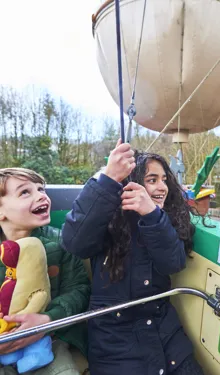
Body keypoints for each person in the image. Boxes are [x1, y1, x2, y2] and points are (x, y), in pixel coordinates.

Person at [61, 140, 205, 375]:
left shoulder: (164, 218)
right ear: (131, 183)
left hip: (166, 336)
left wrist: (152, 216)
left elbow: (173, 262)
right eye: (152, 180)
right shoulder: (106, 218)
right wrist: (108, 179)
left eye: (164, 180)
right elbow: (74, 242)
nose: (163, 188)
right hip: (114, 343)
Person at [0, 168, 91, 374]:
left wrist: (47, 320)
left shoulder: (61, 242)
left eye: (41, 189)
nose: (41, 196)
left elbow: (79, 290)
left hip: (50, 339)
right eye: (25, 192)